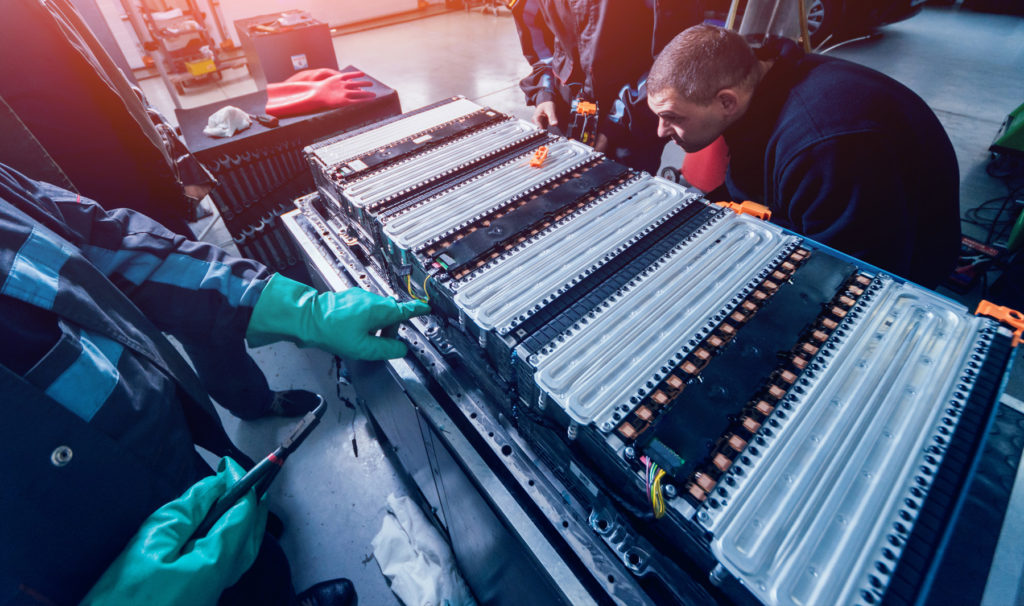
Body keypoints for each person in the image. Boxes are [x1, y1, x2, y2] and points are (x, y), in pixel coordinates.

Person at [0, 162, 430, 605]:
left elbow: (105, 242)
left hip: (157, 450)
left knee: (243, 561)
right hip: (62, 572)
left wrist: (295, 308)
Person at [0, 0, 330, 421]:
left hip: (132, 189)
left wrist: (163, 143)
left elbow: (99, 79)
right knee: (117, 353)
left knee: (196, 307)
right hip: (53, 219)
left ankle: (249, 400)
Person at [646, 24, 961, 288]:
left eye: (673, 117)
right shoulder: (766, 78)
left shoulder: (827, 148)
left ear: (727, 102)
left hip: (896, 271)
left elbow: (852, 277)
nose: (662, 131)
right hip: (843, 218)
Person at [510, 0, 704, 174]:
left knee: (621, 194)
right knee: (555, 187)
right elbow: (532, 25)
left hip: (637, 110)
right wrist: (545, 89)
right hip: (563, 98)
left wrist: (615, 124)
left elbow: (674, 60)